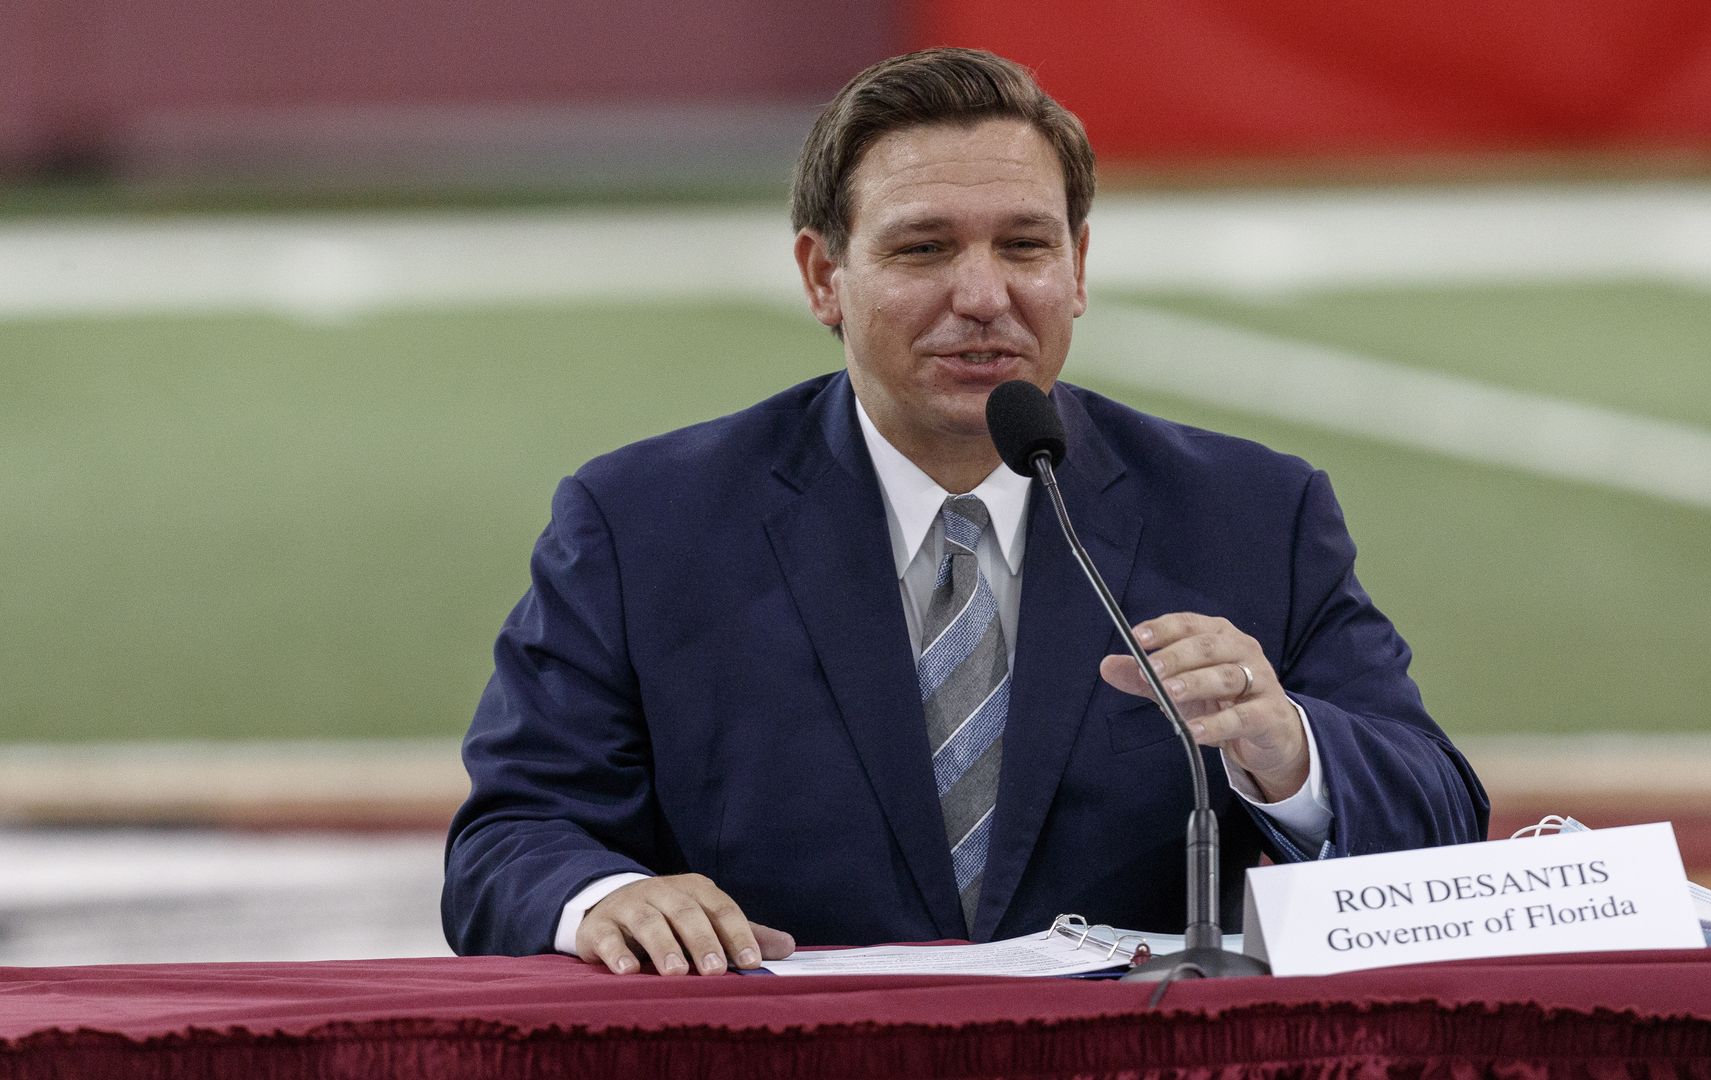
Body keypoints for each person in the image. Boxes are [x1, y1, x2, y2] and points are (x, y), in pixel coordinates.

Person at [443, 47, 1487, 976]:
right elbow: (513, 838)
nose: (983, 294)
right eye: (924, 249)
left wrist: (1289, 751)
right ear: (824, 277)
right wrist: (604, 899)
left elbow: (1443, 825)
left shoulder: (1251, 512)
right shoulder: (644, 524)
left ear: (1078, 269)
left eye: (1025, 246)